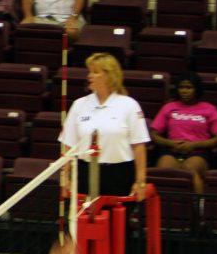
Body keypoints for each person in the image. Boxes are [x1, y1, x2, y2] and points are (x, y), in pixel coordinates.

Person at [59, 53, 150, 200]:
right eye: (90, 72)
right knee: (85, 219)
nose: (89, 76)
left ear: (109, 75)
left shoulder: (129, 105)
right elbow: (68, 145)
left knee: (118, 221)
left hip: (119, 173)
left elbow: (139, 146)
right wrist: (65, 178)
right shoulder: (79, 104)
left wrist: (140, 181)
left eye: (95, 72)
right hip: (85, 171)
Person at [150, 72, 217, 195]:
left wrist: (194, 145)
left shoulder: (209, 109)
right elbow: (154, 134)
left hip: (198, 152)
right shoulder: (169, 107)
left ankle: (197, 209)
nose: (184, 91)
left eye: (189, 87)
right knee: (165, 169)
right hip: (172, 150)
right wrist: (169, 143)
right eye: (181, 87)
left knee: (190, 169)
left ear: (196, 89)